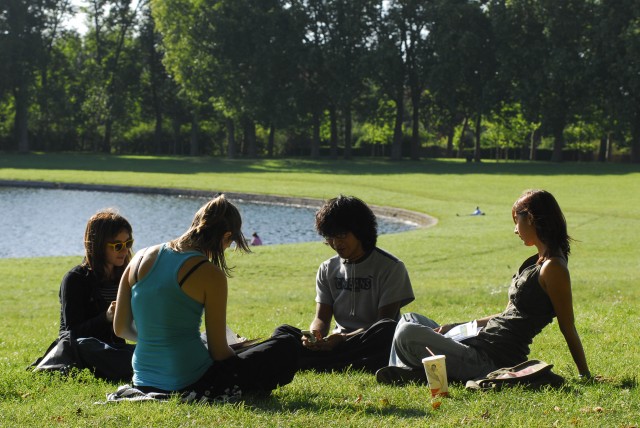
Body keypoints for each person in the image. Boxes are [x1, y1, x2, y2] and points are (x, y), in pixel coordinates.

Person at [376, 189, 591, 385]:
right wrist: (456, 326)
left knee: (407, 332)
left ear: (531, 218)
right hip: (477, 342)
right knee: (408, 319)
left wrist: (584, 374)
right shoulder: (536, 261)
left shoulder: (553, 268)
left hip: (489, 360)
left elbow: (567, 326)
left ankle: (417, 373)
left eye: (516, 221)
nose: (515, 230)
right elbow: (506, 315)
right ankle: (418, 372)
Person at [114, 194, 298, 401]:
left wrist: (158, 340)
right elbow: (219, 352)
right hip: (191, 378)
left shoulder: (139, 257)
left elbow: (120, 328)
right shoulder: (209, 273)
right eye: (230, 243)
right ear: (226, 236)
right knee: (287, 343)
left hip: (142, 378)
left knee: (280, 335)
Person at [272, 195, 415, 373]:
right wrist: (315, 336)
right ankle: (332, 361)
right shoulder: (327, 268)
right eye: (330, 236)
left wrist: (344, 338)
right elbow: (322, 318)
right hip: (335, 342)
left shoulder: (391, 267)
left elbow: (383, 321)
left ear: (360, 231)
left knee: (388, 330)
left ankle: (317, 362)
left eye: (341, 235)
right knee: (283, 332)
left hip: (366, 340)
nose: (335, 243)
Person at [56, 209, 136, 381]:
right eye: (117, 245)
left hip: (115, 350)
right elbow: (71, 333)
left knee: (151, 349)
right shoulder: (75, 279)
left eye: (128, 243)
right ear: (98, 245)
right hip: (83, 351)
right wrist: (106, 317)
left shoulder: (126, 276)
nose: (124, 250)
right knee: (87, 345)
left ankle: (140, 362)